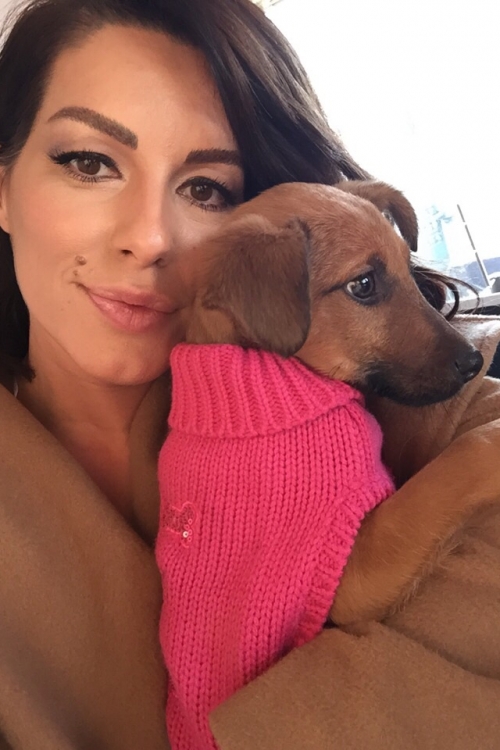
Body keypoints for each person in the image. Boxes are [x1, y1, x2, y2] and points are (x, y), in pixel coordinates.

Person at [0, 0, 499, 748]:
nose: (149, 238)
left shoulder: (377, 391)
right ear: (3, 185)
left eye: (207, 188)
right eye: (89, 162)